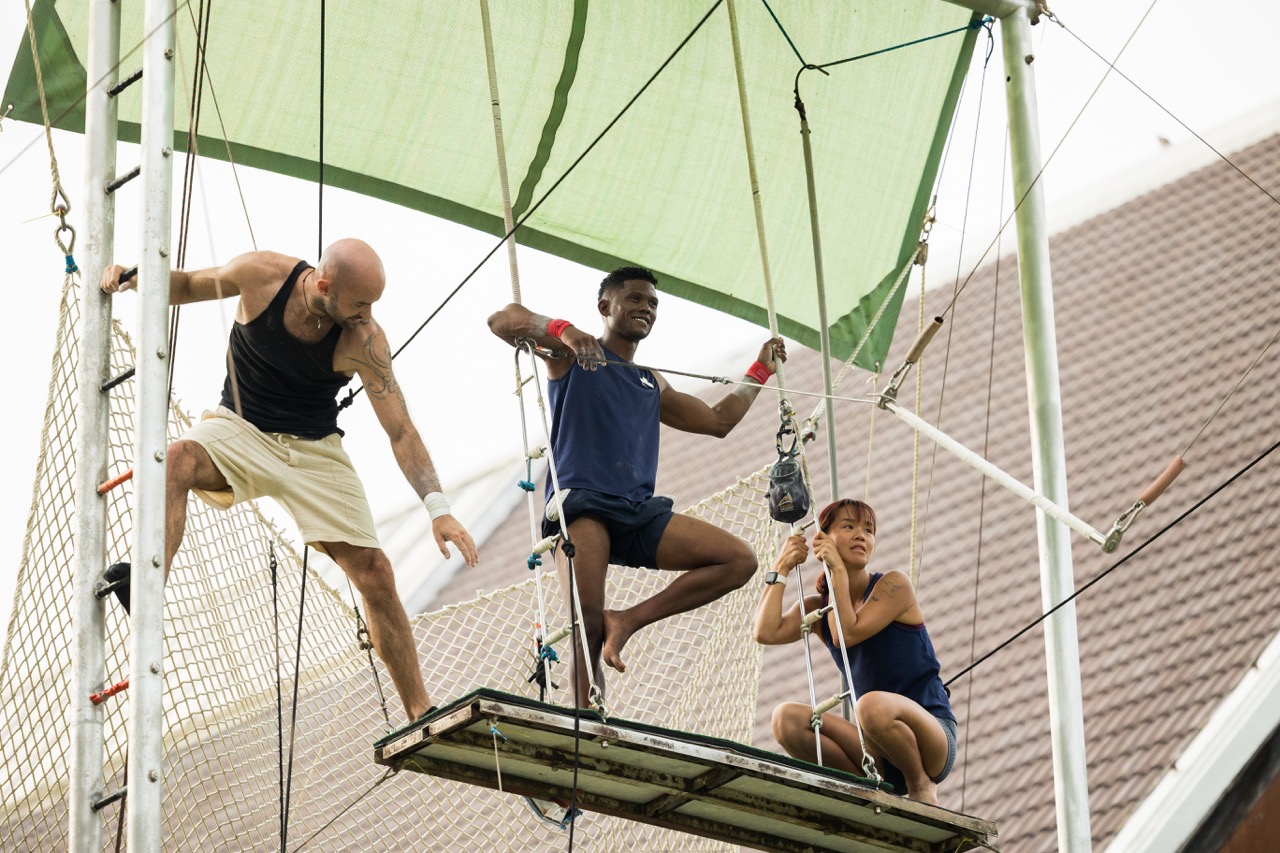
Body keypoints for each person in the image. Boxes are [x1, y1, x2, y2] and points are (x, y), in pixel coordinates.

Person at [100, 239, 478, 723]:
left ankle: (420, 708)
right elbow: (191, 283)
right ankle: (148, 593)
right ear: (324, 286)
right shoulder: (262, 276)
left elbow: (401, 429)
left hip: (315, 450)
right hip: (240, 428)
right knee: (175, 459)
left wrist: (438, 507)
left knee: (376, 573)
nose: (368, 315)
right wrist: (136, 280)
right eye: (360, 303)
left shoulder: (364, 340)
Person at [487, 266, 786, 705]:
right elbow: (502, 320)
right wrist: (564, 331)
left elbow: (719, 421)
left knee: (737, 560)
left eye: (652, 304)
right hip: (584, 509)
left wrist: (760, 368)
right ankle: (589, 721)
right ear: (605, 307)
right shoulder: (570, 354)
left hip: (637, 511)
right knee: (585, 622)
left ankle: (626, 620)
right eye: (635, 299)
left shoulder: (650, 379)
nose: (646, 308)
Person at [753, 499, 956, 805]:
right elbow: (765, 632)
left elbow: (846, 633)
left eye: (869, 530)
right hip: (877, 748)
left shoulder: (893, 586)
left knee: (870, 706)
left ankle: (920, 787)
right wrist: (782, 565)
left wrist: (836, 569)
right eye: (848, 527)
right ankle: (866, 792)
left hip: (930, 738)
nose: (861, 535)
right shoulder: (818, 608)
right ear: (823, 539)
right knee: (785, 719)